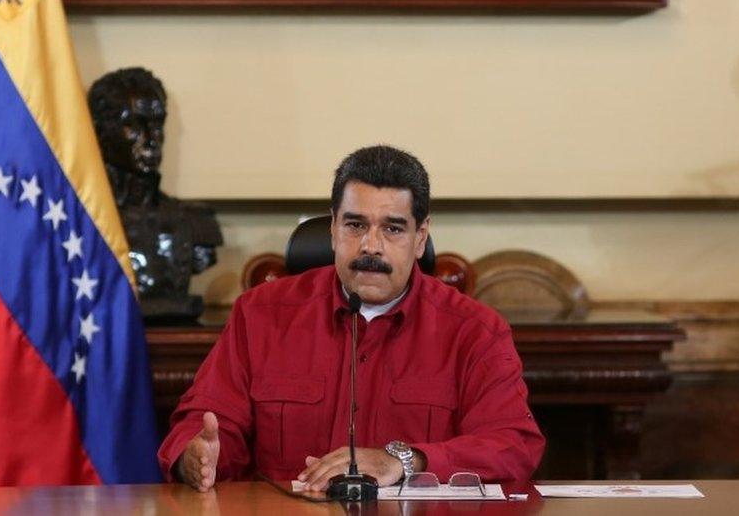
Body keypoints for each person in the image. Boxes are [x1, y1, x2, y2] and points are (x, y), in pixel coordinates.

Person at [157, 146, 544, 491]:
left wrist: (405, 461)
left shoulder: (475, 331)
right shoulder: (259, 315)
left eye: (393, 229)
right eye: (355, 225)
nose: (370, 246)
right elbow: (205, 425)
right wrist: (195, 458)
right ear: (332, 228)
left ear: (421, 236)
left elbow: (512, 445)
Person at [88, 68, 223, 323]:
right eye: (134, 125)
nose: (152, 139)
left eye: (157, 123)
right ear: (100, 131)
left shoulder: (196, 222)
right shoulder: (78, 224)